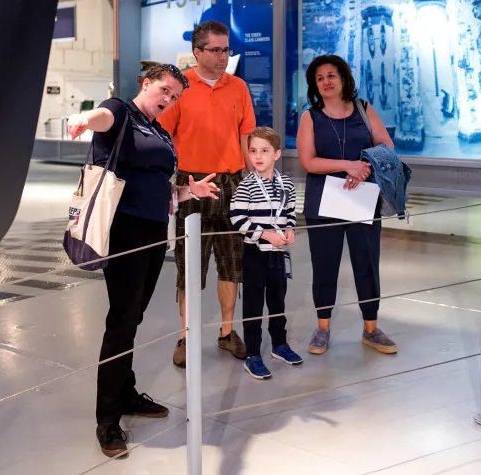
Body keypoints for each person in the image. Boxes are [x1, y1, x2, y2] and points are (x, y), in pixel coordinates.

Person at [67, 63, 220, 460]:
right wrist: (84, 118)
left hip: (154, 233)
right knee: (121, 320)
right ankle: (107, 418)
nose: (167, 99)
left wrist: (190, 191)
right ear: (147, 83)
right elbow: (101, 118)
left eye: (175, 96)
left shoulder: (160, 131)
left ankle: (127, 392)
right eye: (164, 90)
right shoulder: (120, 111)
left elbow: (161, 190)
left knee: (132, 316)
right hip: (125, 232)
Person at [158, 20, 256, 367]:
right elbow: (163, 135)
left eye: (226, 49)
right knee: (189, 266)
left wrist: (255, 182)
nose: (223, 56)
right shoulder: (181, 89)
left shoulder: (239, 88)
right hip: (192, 184)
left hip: (233, 184)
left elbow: (246, 137)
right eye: (215, 50)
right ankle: (186, 335)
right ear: (197, 52)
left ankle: (227, 331)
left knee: (231, 263)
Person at [296, 55, 398, 356]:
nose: (326, 82)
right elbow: (309, 161)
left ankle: (371, 329)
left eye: (331, 75)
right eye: (320, 78)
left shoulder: (364, 110)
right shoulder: (309, 117)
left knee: (366, 263)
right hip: (323, 202)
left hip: (362, 198)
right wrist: (348, 165)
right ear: (315, 86)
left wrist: (364, 168)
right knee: (324, 265)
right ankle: (322, 328)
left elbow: (386, 145)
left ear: (343, 79)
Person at [230, 126, 303, 380]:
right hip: (254, 255)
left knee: (277, 300)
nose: (258, 156)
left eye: (264, 151)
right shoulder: (246, 186)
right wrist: (264, 233)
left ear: (277, 154)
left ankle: (279, 345)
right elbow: (237, 219)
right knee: (253, 304)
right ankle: (252, 354)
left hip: (278, 254)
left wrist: (290, 230)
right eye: (252, 151)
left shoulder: (287, 185)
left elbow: (290, 213)